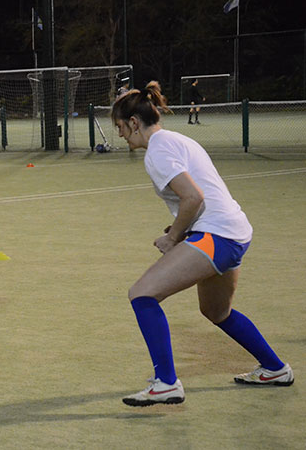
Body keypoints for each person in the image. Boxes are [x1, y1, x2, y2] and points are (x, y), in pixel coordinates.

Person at [112, 82, 294, 407]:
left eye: (121, 128)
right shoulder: (176, 139)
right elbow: (198, 198)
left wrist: (172, 239)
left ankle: (166, 383)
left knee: (142, 294)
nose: (121, 136)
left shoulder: (158, 149)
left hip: (218, 234)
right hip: (234, 231)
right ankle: (275, 368)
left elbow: (193, 197)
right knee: (216, 311)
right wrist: (181, 229)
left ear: (134, 123)